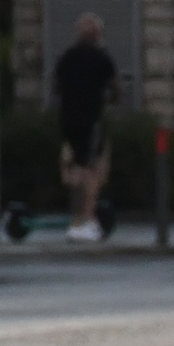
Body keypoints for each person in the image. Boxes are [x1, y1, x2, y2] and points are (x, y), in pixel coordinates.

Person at [54, 13, 118, 243]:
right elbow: (115, 88)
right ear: (97, 35)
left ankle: (76, 219)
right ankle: (87, 221)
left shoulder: (66, 58)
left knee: (78, 168)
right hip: (91, 120)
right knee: (92, 171)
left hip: (68, 120)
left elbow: (57, 87)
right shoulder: (101, 58)